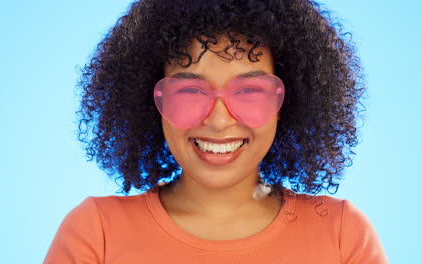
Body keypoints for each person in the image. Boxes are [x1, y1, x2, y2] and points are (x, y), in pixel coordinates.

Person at [44, 0, 388, 263]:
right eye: (191, 91)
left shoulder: (342, 235)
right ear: (153, 103)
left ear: (289, 101)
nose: (219, 121)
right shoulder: (97, 232)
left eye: (250, 91)